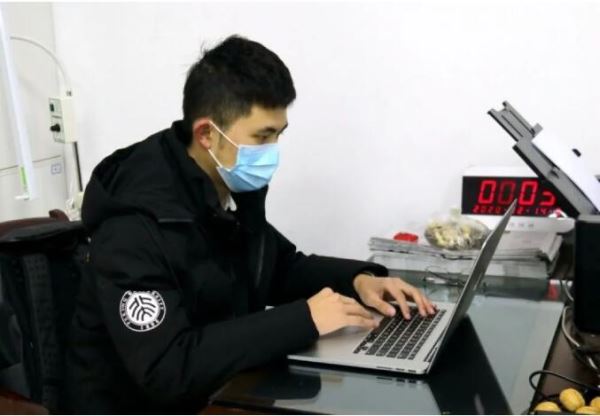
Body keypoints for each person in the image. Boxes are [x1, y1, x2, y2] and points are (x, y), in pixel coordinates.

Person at [65, 35, 436, 414]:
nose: (272, 151)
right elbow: (167, 368)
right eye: (262, 136)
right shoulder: (133, 224)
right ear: (207, 134)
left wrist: (358, 280)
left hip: (223, 389)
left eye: (278, 134)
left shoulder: (222, 183)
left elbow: (277, 267)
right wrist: (304, 319)